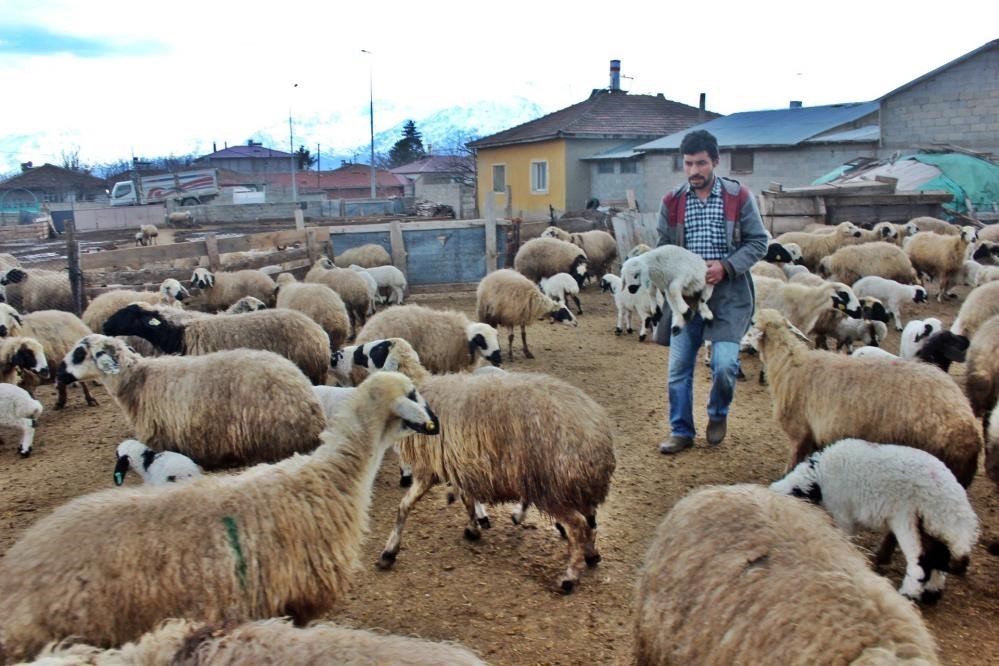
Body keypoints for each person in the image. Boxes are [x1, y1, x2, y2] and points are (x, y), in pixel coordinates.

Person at [655, 130, 768, 454]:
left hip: (729, 293)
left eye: (701, 163)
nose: (694, 171)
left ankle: (718, 414)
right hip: (687, 298)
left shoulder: (738, 196)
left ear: (715, 162)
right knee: (678, 368)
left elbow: (758, 242)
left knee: (724, 364)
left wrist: (726, 266)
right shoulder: (672, 202)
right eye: (688, 164)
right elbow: (663, 248)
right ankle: (681, 431)